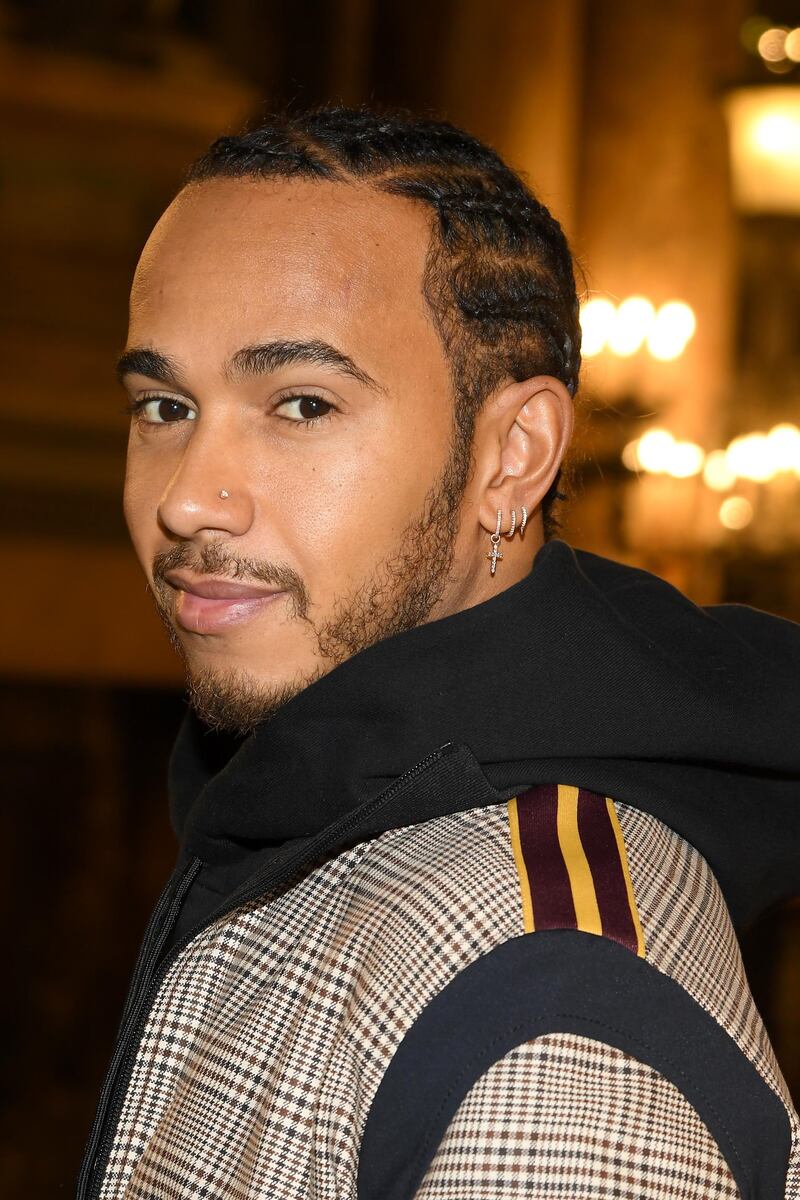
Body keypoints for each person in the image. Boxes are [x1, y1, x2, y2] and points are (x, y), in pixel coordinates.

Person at [78, 105, 800, 1199]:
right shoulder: (307, 793)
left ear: (511, 457)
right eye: (165, 404)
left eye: (301, 404)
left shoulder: (554, 1025)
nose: (185, 498)